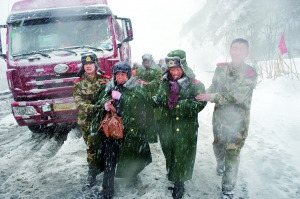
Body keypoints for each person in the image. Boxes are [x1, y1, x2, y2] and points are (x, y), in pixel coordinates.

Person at [195, 38, 257, 199]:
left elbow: (237, 96)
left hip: (238, 123)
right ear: (230, 51)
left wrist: (211, 96)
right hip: (220, 119)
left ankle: (228, 190)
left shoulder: (250, 73)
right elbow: (213, 87)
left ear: (246, 53)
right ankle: (220, 163)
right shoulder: (220, 70)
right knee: (217, 146)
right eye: (234, 48)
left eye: (241, 50)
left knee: (232, 154)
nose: (237, 52)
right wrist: (200, 95)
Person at [90, 62, 152, 199]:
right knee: (109, 159)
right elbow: (100, 102)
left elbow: (141, 104)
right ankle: (107, 189)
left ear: (129, 75)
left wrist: (123, 99)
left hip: (130, 132)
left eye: (123, 74)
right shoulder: (108, 87)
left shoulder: (137, 88)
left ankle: (131, 176)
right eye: (117, 74)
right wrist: (105, 105)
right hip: (111, 132)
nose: (120, 77)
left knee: (131, 157)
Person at [152, 57, 207, 199]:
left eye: (177, 69)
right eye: (171, 69)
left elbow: (200, 103)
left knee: (182, 154)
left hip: (185, 127)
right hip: (166, 125)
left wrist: (179, 106)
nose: (174, 73)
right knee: (169, 152)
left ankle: (179, 183)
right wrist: (150, 100)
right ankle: (174, 175)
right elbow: (159, 98)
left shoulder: (195, 84)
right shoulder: (164, 82)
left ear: (183, 68)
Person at [73, 52, 110, 188]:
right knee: (91, 148)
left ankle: (108, 172)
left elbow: (110, 97)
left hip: (103, 120)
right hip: (87, 122)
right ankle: (92, 172)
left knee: (106, 145)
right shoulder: (78, 83)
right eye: (86, 64)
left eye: (91, 63)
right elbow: (80, 104)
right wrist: (98, 107)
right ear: (83, 66)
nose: (88, 66)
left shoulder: (105, 80)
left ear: (96, 65)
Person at [135, 53, 162, 143]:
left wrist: (149, 84)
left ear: (151, 61)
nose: (146, 63)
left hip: (153, 94)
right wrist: (138, 82)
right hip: (142, 94)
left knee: (153, 116)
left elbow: (158, 80)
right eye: (145, 62)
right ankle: (143, 135)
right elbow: (136, 78)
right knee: (142, 115)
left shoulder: (157, 69)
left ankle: (152, 137)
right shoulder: (140, 69)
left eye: (148, 62)